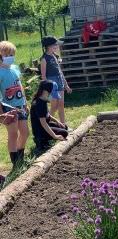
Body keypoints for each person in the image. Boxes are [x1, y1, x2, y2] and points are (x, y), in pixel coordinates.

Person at [0, 41, 29, 169]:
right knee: (13, 134)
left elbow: (20, 85)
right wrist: (1, 112)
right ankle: (16, 164)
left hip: (21, 105)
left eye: (12, 54)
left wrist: (25, 101)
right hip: (8, 107)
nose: (10, 56)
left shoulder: (15, 68)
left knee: (25, 132)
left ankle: (20, 156)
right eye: (7, 54)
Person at [30, 80, 68, 154]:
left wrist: (57, 121)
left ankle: (47, 136)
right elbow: (43, 123)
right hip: (40, 130)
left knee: (64, 126)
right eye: (51, 93)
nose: (52, 96)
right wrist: (55, 136)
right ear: (45, 91)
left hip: (45, 125)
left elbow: (47, 114)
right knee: (64, 132)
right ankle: (41, 140)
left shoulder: (43, 99)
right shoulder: (39, 104)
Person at [40, 36, 71, 125]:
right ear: (49, 46)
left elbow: (60, 72)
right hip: (51, 83)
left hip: (59, 81)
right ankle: (47, 124)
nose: (57, 47)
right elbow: (43, 76)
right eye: (55, 45)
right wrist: (47, 89)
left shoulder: (54, 56)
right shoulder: (44, 59)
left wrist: (66, 85)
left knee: (61, 104)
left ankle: (63, 125)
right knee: (54, 106)